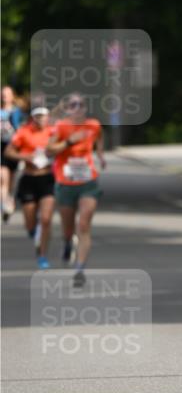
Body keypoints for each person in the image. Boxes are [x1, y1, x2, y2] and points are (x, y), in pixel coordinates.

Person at [47, 94, 105, 287]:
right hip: (65, 182)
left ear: (86, 107)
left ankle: (79, 268)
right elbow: (49, 150)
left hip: (88, 180)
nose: (77, 108)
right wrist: (69, 142)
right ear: (68, 109)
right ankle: (66, 242)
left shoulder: (93, 125)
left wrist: (100, 155)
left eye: (81, 104)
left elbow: (100, 138)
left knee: (84, 224)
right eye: (73, 105)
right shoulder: (62, 127)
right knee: (68, 227)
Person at [4, 106, 56, 268]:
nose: (41, 119)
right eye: (37, 116)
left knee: (46, 219)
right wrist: (25, 156)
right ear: (33, 118)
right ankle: (35, 234)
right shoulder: (24, 132)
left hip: (47, 178)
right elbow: (8, 152)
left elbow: (64, 148)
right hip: (29, 179)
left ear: (48, 118)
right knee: (30, 223)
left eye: (43, 116)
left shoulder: (53, 132)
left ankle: (42, 255)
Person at [1, 85, 25, 221]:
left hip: (14, 148)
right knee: (2, 178)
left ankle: (9, 201)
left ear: (12, 96)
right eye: (2, 94)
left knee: (11, 180)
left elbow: (21, 129)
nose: (4, 96)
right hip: (1, 147)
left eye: (7, 94)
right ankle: (4, 204)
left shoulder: (17, 112)